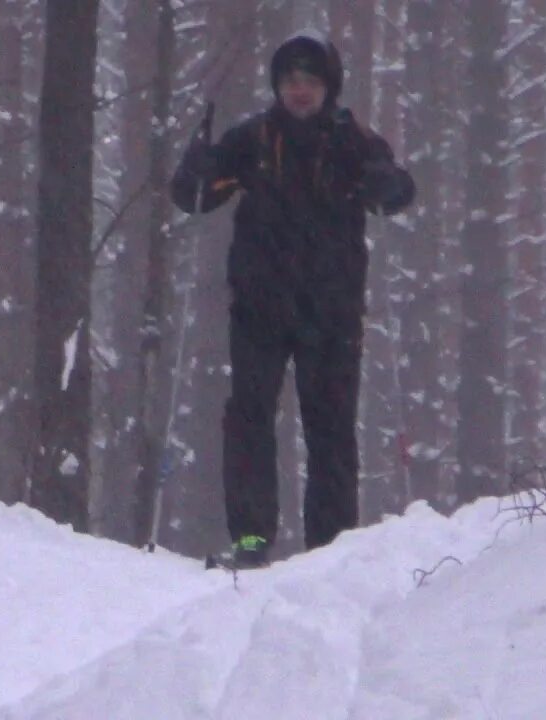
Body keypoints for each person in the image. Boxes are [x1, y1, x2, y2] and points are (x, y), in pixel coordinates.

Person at [171, 31, 415, 568]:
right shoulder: (252, 138)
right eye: (289, 80)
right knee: (250, 419)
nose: (299, 91)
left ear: (328, 86)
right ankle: (253, 541)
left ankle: (330, 551)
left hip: (332, 311)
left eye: (309, 80)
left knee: (329, 427)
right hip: (260, 306)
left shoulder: (354, 141)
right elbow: (194, 197)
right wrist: (195, 170)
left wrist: (383, 181)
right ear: (277, 87)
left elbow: (398, 194)